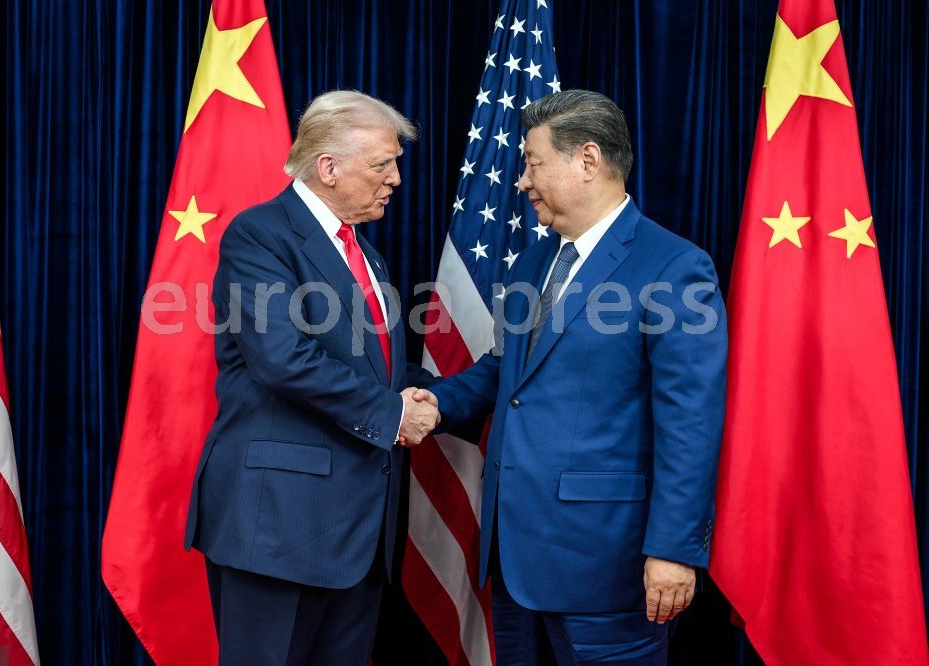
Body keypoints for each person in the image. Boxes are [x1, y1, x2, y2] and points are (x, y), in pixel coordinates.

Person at [410, 90, 728, 665]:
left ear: (587, 160)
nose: (522, 182)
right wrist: (435, 403)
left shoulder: (674, 266)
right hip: (513, 559)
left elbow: (691, 427)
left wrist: (674, 550)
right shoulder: (535, 261)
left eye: (532, 163)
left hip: (607, 566)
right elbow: (508, 372)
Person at [184, 90, 439, 666]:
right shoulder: (260, 234)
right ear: (328, 167)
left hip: (359, 535)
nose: (396, 179)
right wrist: (396, 414)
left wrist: (447, 395)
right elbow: (282, 358)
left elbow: (377, 368)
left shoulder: (366, 254)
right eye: (382, 164)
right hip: (279, 526)